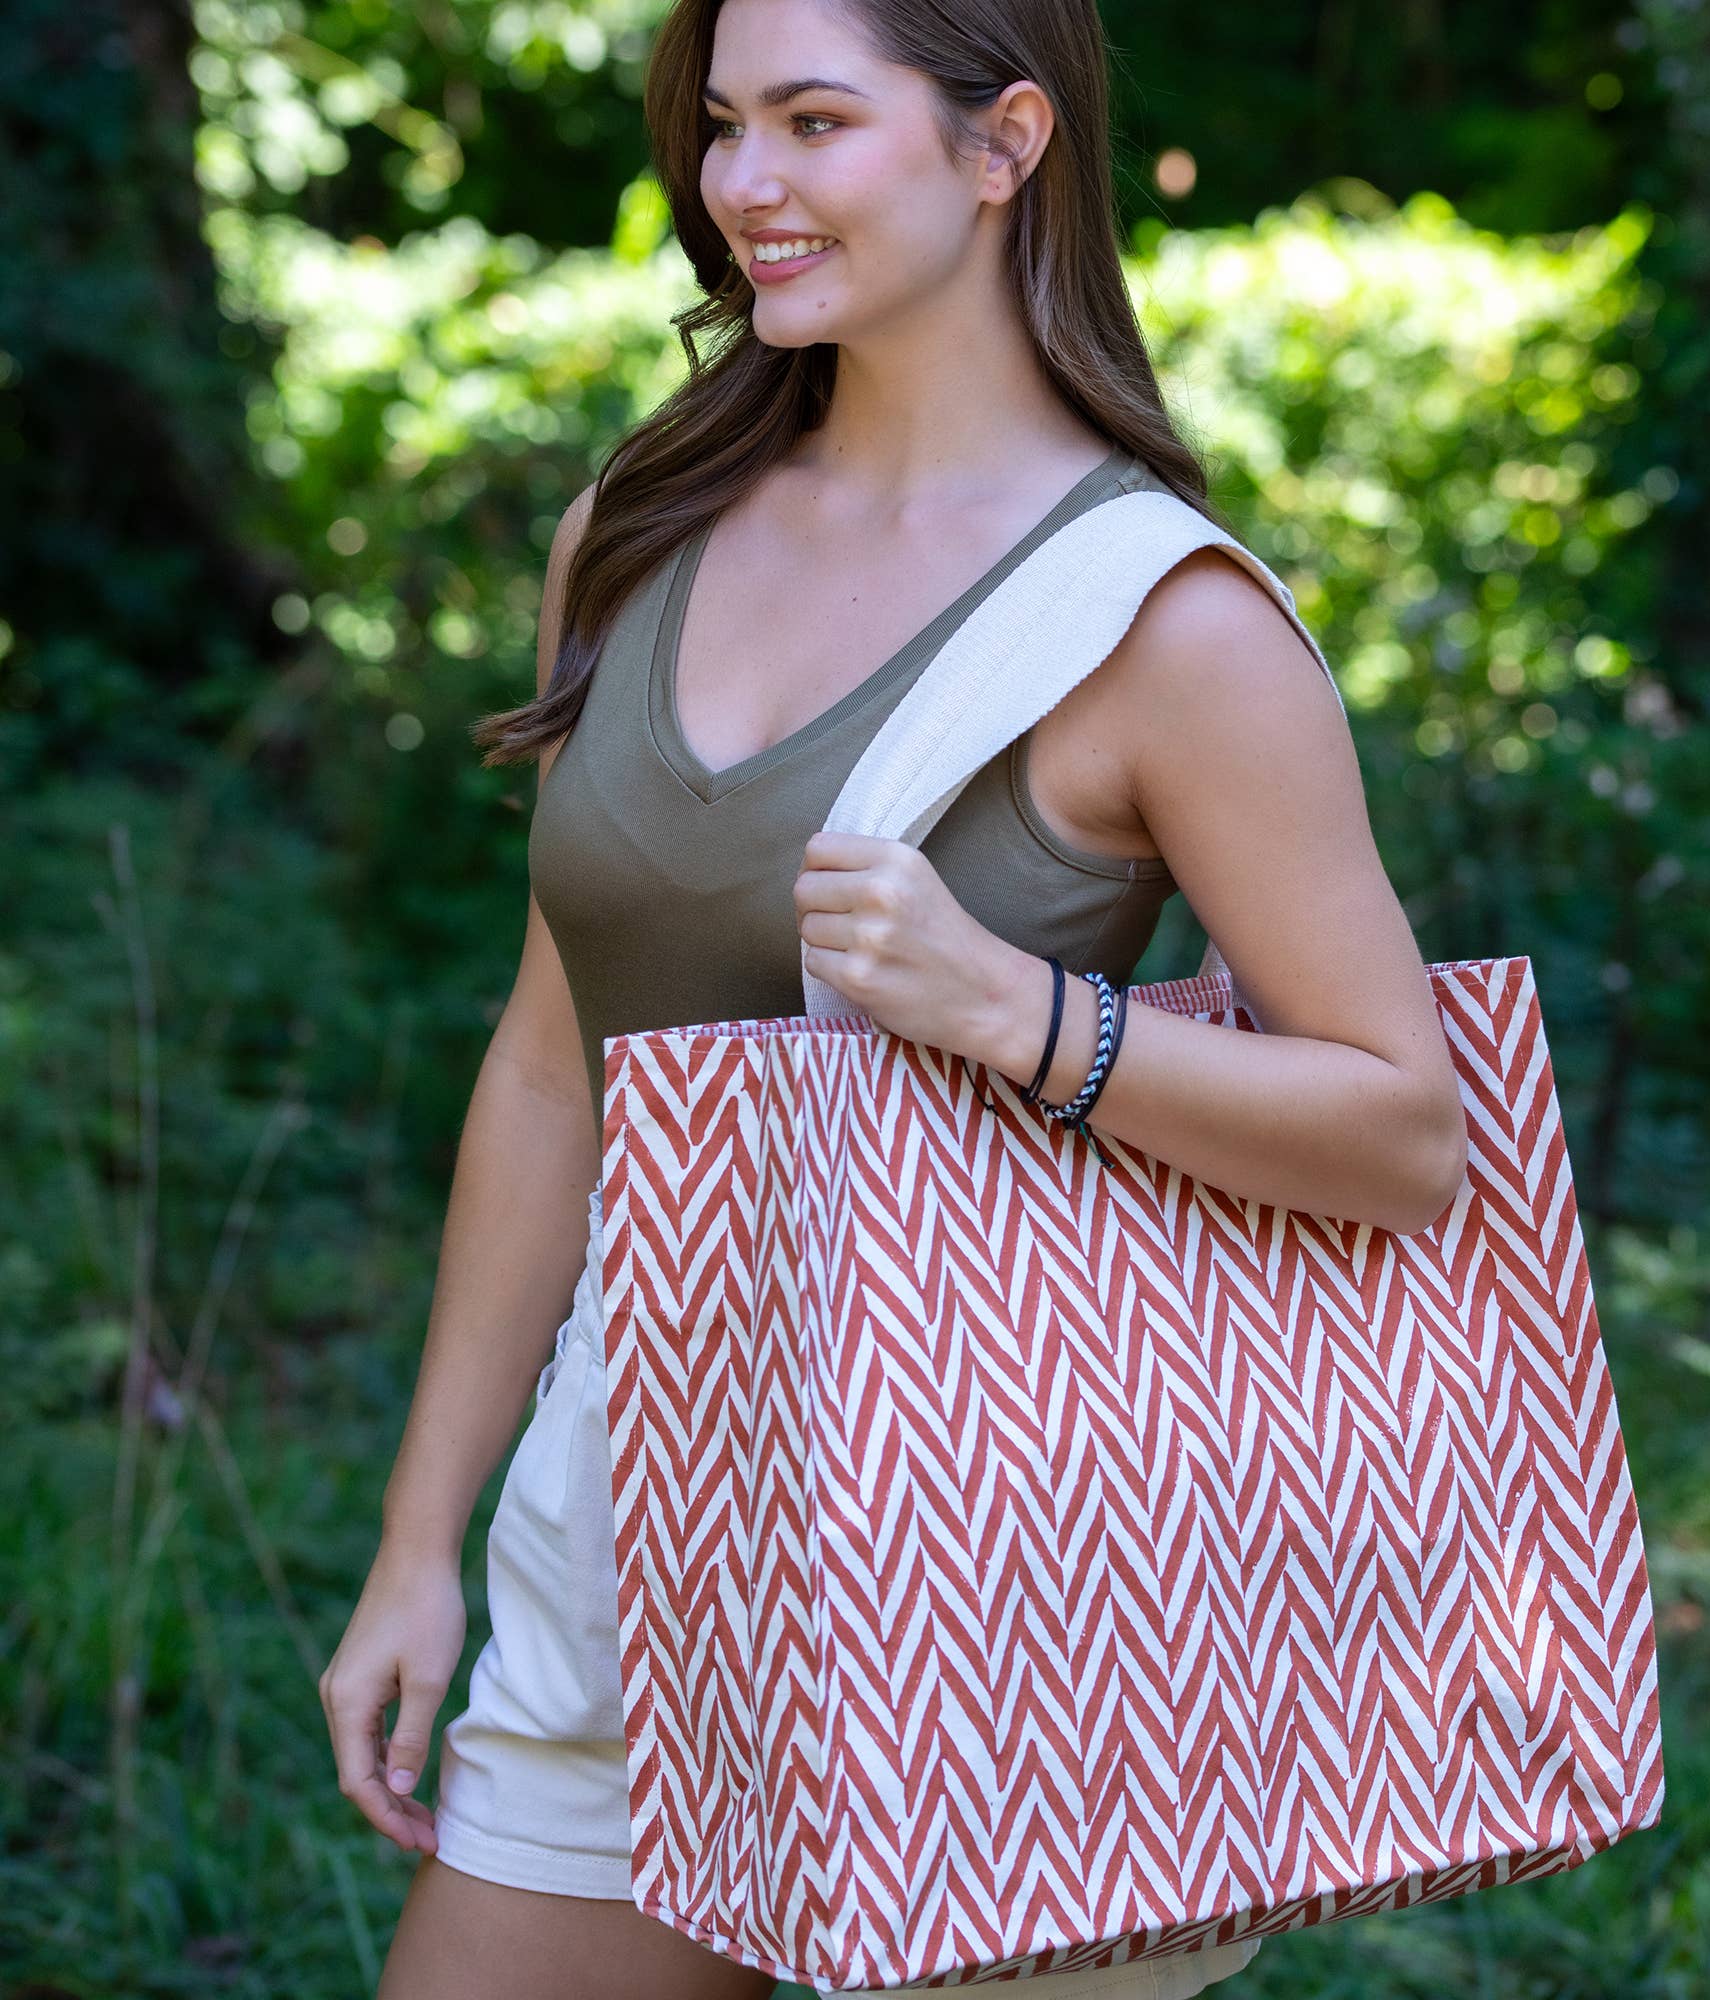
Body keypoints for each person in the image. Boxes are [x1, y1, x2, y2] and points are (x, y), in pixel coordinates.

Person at [318, 0, 1469, 1995]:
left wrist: (1018, 1013)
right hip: (631, 1537)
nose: (740, 185)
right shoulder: (639, 536)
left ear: (1002, 139)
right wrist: (423, 1537)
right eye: (724, 127)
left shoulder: (1167, 626)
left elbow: (1403, 1131)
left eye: (814, 123)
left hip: (1001, 1591)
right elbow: (546, 1062)